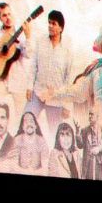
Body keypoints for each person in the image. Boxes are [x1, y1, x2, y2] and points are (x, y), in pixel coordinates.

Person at [0, 2, 32, 126]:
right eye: (4, 15)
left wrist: (28, 36)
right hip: (0, 81)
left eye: (9, 14)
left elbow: (28, 54)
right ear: (0, 18)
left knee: (21, 115)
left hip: (18, 80)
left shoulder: (21, 34)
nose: (8, 18)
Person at [26, 10, 73, 140]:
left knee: (55, 133)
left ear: (61, 28)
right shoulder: (41, 42)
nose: (50, 26)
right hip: (38, 92)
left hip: (55, 99)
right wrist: (29, 87)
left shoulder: (67, 50)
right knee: (26, 121)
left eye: (54, 23)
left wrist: (66, 105)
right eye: (49, 23)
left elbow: (68, 79)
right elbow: (33, 65)